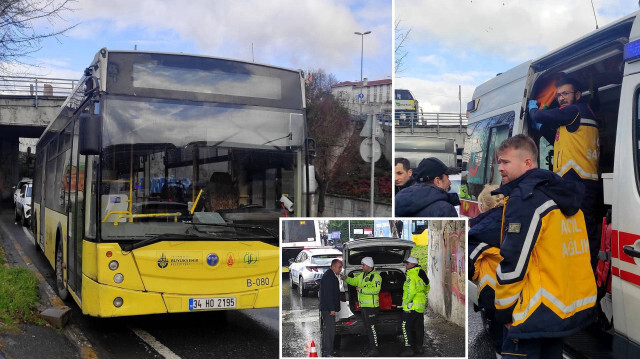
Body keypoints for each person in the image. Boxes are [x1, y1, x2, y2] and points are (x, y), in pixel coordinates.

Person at [493, 134, 597, 359]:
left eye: (505, 162)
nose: (499, 168)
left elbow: (514, 262)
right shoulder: (565, 196)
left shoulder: (526, 200)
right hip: (559, 311)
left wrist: (504, 313)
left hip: (530, 314)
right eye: (499, 162)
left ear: (527, 163)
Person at [528, 77, 601, 271]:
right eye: (559, 95)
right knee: (580, 233)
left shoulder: (574, 111)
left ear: (577, 95)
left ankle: (586, 276)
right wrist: (541, 129)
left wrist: (535, 110)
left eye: (565, 94)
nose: (561, 98)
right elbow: (557, 140)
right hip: (580, 182)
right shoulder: (576, 118)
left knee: (581, 235)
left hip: (578, 182)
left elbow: (539, 117)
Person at [468, 184, 504, 353]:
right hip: (523, 289)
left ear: (482, 206)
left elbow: (470, 266)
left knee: (500, 340)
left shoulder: (479, 230)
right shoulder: (517, 217)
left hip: (493, 293)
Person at [342, 257, 382, 357]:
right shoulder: (363, 275)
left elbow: (376, 290)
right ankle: (371, 346)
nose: (362, 266)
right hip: (364, 307)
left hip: (372, 307)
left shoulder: (376, 277)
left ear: (369, 265)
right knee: (368, 328)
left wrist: (361, 290)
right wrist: (345, 278)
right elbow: (354, 281)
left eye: (363, 264)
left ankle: (375, 349)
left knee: (372, 328)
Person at [395, 157, 459, 217]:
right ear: (437, 181)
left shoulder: (400, 200)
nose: (450, 182)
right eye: (447, 178)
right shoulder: (445, 209)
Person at [399, 256, 429, 357]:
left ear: (412, 264)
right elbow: (427, 287)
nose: (406, 265)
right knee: (419, 327)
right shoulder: (422, 273)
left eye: (407, 263)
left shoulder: (411, 274)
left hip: (411, 306)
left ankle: (408, 349)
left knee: (405, 326)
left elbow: (410, 291)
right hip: (420, 305)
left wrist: (405, 302)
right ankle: (419, 348)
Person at [319, 259, 343, 357]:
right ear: (333, 267)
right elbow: (328, 295)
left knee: (329, 331)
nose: (340, 269)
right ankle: (328, 353)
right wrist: (331, 309)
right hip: (328, 309)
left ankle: (328, 351)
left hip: (328, 308)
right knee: (330, 332)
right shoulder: (328, 277)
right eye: (339, 267)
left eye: (341, 267)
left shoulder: (331, 275)